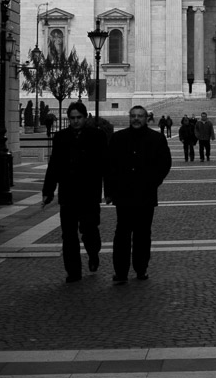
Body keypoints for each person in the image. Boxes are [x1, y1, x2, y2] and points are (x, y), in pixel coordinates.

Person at [42, 101, 107, 284]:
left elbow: (105, 165)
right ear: (68, 119)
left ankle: (93, 254)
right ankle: (73, 271)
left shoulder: (97, 136)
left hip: (89, 193)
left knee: (89, 230)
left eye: (79, 118)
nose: (76, 121)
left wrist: (109, 190)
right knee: (68, 234)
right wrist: (48, 191)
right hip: (68, 193)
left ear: (85, 118)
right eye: (72, 118)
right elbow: (54, 165)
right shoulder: (61, 137)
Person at [105, 105, 172, 284]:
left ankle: (141, 268)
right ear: (129, 117)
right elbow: (109, 167)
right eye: (133, 116)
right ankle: (120, 272)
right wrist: (109, 192)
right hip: (123, 194)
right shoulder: (118, 138)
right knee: (122, 234)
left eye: (140, 116)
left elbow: (165, 164)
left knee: (143, 234)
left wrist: (153, 182)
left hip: (145, 194)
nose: (136, 119)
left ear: (146, 118)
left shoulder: (156, 139)